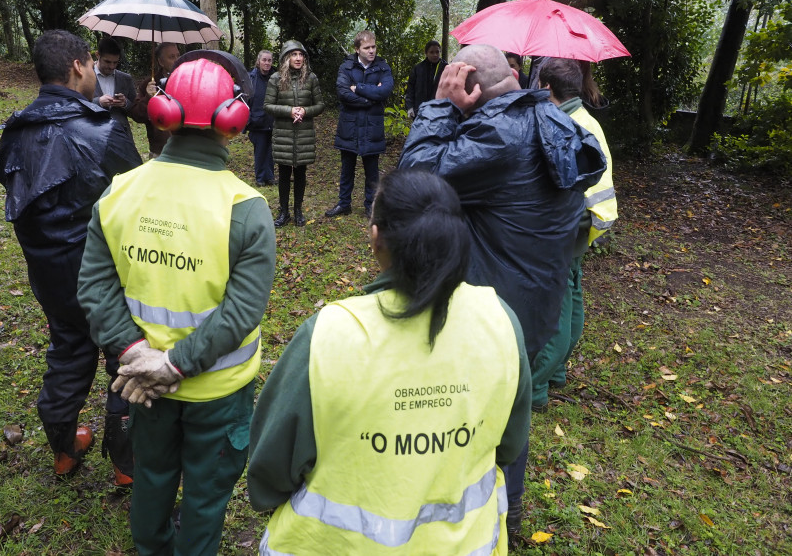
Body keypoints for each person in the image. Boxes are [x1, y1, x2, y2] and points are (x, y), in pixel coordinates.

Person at [249, 168, 531, 555]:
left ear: (376, 237)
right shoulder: (500, 319)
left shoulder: (328, 334)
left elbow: (271, 468)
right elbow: (510, 445)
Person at [398, 44, 605, 541]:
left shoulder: (498, 134)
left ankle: (469, 517)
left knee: (472, 414)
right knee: (509, 406)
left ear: (469, 84)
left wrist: (442, 106)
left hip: (489, 305)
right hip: (536, 300)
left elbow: (415, 183)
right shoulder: (558, 121)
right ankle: (509, 514)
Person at [77, 50, 276, 556]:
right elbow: (240, 313)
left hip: (144, 388)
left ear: (163, 112)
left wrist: (137, 357)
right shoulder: (247, 210)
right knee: (206, 500)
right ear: (233, 120)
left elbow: (94, 288)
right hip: (218, 392)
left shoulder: (119, 193)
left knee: (152, 477)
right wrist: (176, 364)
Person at [0, 30, 142, 485]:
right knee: (125, 357)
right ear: (80, 66)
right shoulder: (100, 128)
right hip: (104, 275)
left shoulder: (15, 131)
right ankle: (126, 463)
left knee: (68, 350)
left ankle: (64, 447)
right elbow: (141, 191)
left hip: (49, 273)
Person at [532, 58, 617, 408]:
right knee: (574, 294)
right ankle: (556, 373)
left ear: (548, 88)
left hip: (571, 224)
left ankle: (534, 388)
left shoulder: (564, 125)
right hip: (593, 221)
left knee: (555, 310)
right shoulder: (587, 119)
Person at [325, 30, 393, 218]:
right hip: (349, 126)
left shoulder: (382, 67)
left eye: (373, 47)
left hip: (372, 127)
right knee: (347, 169)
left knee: (372, 171)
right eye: (367, 48)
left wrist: (359, 88)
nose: (371, 51)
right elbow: (343, 93)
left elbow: (385, 91)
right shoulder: (346, 67)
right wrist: (370, 100)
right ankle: (344, 204)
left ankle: (371, 206)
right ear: (357, 49)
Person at [264, 41, 325, 227]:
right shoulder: (275, 79)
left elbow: (320, 105)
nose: (298, 58)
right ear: (286, 58)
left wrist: (305, 111)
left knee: (300, 173)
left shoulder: (311, 78)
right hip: (284, 134)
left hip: (304, 134)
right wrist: (289, 111)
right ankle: (284, 211)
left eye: (300, 55)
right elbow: (267, 105)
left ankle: (298, 210)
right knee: (283, 174)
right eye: (293, 54)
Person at [129, 42, 181, 157]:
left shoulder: (187, 80)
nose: (176, 60)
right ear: (160, 62)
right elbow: (137, 115)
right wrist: (148, 98)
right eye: (171, 57)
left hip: (184, 149)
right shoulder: (150, 85)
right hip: (160, 151)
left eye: (178, 55)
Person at [247, 49, 277, 186]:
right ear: (258, 61)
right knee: (260, 150)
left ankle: (270, 176)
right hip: (256, 121)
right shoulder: (251, 78)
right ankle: (260, 178)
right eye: (264, 60)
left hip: (272, 120)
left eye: (269, 60)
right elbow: (245, 100)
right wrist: (248, 120)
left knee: (270, 150)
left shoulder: (276, 77)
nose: (267, 63)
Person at [93, 37, 137, 119]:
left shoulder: (126, 79)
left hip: (120, 130)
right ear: (98, 55)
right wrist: (98, 102)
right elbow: (77, 104)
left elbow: (135, 110)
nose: (111, 66)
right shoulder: (84, 76)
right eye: (107, 62)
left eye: (115, 62)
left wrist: (125, 103)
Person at [404, 39, 446, 119]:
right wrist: (410, 107)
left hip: (439, 111)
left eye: (437, 52)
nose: (435, 55)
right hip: (420, 110)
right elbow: (410, 89)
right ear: (426, 53)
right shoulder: (418, 68)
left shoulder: (445, 68)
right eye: (431, 52)